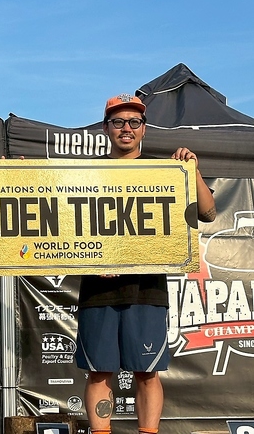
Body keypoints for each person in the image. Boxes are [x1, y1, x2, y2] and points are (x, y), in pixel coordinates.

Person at [75, 93, 216, 434]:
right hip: (98, 289)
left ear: (144, 128)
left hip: (147, 289)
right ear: (106, 128)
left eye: (134, 122)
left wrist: (192, 171)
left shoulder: (165, 171)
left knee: (147, 373)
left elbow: (209, 213)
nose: (126, 128)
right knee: (99, 372)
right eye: (118, 122)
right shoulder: (86, 173)